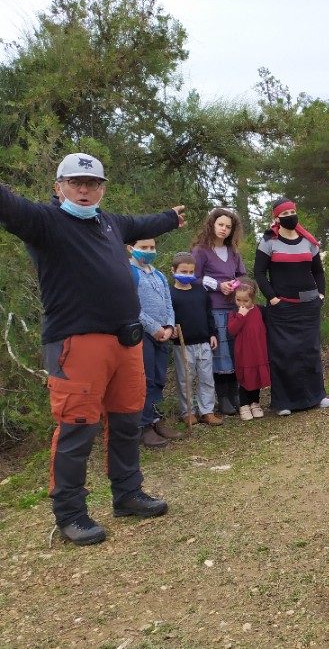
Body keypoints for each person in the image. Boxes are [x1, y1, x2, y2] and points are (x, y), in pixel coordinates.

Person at [0, 152, 184, 546]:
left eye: (92, 184)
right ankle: (70, 514)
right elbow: (8, 204)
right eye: (75, 183)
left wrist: (170, 217)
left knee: (125, 421)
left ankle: (128, 494)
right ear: (59, 187)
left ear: (102, 189)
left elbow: (141, 224)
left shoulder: (109, 223)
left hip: (125, 341)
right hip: (75, 343)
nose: (84, 190)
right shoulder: (44, 222)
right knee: (76, 428)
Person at [254, 199, 329, 414]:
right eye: (285, 212)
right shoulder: (269, 240)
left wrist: (321, 294)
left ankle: (317, 396)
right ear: (276, 217)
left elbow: (318, 271)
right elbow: (259, 273)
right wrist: (272, 298)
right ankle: (284, 402)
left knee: (310, 350)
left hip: (308, 305)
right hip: (282, 307)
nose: (290, 215)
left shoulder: (308, 240)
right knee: (284, 353)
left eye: (292, 211)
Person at [191, 208, 246, 416]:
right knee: (219, 355)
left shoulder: (233, 252)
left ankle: (235, 395)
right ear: (212, 224)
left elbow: (243, 276)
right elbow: (192, 278)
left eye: (228, 226)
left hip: (234, 310)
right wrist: (217, 285)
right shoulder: (201, 251)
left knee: (233, 353)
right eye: (221, 224)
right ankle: (222, 398)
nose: (224, 229)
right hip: (213, 310)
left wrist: (235, 284)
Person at [128, 237, 178, 448]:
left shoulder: (157, 274)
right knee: (144, 380)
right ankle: (144, 426)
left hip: (162, 334)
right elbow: (131, 306)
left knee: (158, 378)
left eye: (152, 247)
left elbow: (168, 302)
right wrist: (153, 328)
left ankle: (157, 419)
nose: (149, 251)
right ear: (131, 249)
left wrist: (169, 325)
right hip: (143, 334)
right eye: (143, 248)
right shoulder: (129, 273)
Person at [169, 252, 222, 428]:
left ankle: (206, 411)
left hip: (204, 342)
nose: (187, 275)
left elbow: (209, 314)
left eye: (190, 272)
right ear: (173, 270)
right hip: (183, 345)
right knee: (185, 378)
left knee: (207, 377)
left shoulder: (200, 291)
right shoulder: (170, 294)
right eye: (183, 272)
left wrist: (212, 333)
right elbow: (167, 316)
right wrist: (171, 329)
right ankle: (188, 412)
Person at [227, 277, 270, 421]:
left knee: (256, 378)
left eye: (245, 301)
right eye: (238, 300)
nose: (242, 304)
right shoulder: (234, 313)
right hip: (244, 354)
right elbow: (232, 330)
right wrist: (240, 316)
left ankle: (255, 403)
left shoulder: (260, 311)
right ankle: (244, 405)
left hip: (258, 352)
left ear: (253, 299)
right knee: (245, 379)